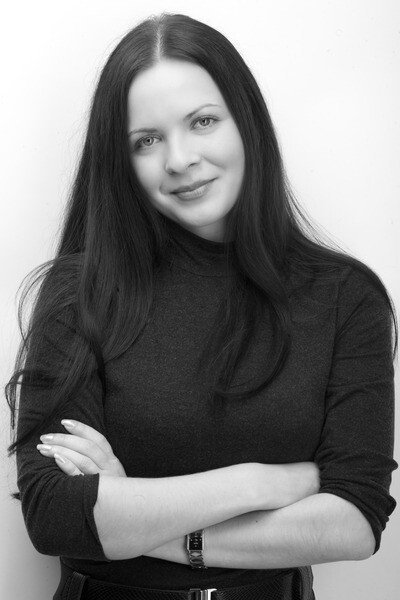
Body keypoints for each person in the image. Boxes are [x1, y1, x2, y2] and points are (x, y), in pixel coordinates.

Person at [5, 12, 398, 600]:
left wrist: (135, 516)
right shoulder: (77, 292)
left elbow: (354, 522)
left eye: (203, 121)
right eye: (146, 140)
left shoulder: (346, 297)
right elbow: (55, 514)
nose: (179, 159)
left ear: (247, 123)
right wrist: (259, 484)